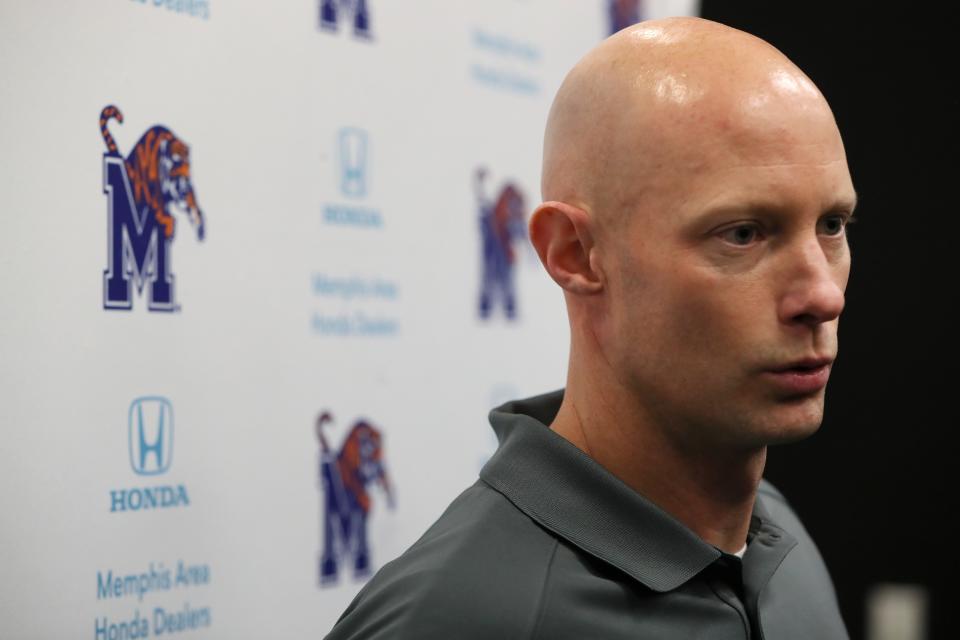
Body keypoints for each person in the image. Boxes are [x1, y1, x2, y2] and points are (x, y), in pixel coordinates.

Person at [326, 16, 856, 639]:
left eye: (832, 225)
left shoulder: (778, 538)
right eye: (742, 234)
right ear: (573, 254)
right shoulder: (453, 617)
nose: (822, 294)